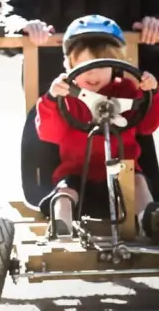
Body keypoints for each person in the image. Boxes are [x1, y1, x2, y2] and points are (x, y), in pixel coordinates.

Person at [3, 0, 159, 204]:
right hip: (63, 99)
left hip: (126, 97)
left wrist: (155, 21)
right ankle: (56, 201)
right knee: (50, 143)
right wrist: (23, 26)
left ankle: (144, 208)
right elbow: (11, 15)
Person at [36, 15, 159, 239]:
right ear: (70, 67)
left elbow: (147, 126)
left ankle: (149, 220)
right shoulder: (66, 97)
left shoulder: (128, 91)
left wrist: (152, 93)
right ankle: (61, 228)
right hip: (77, 173)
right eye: (84, 67)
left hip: (123, 171)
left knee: (139, 181)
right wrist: (52, 100)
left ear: (116, 66)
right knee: (64, 193)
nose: (92, 74)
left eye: (101, 66)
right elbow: (48, 133)